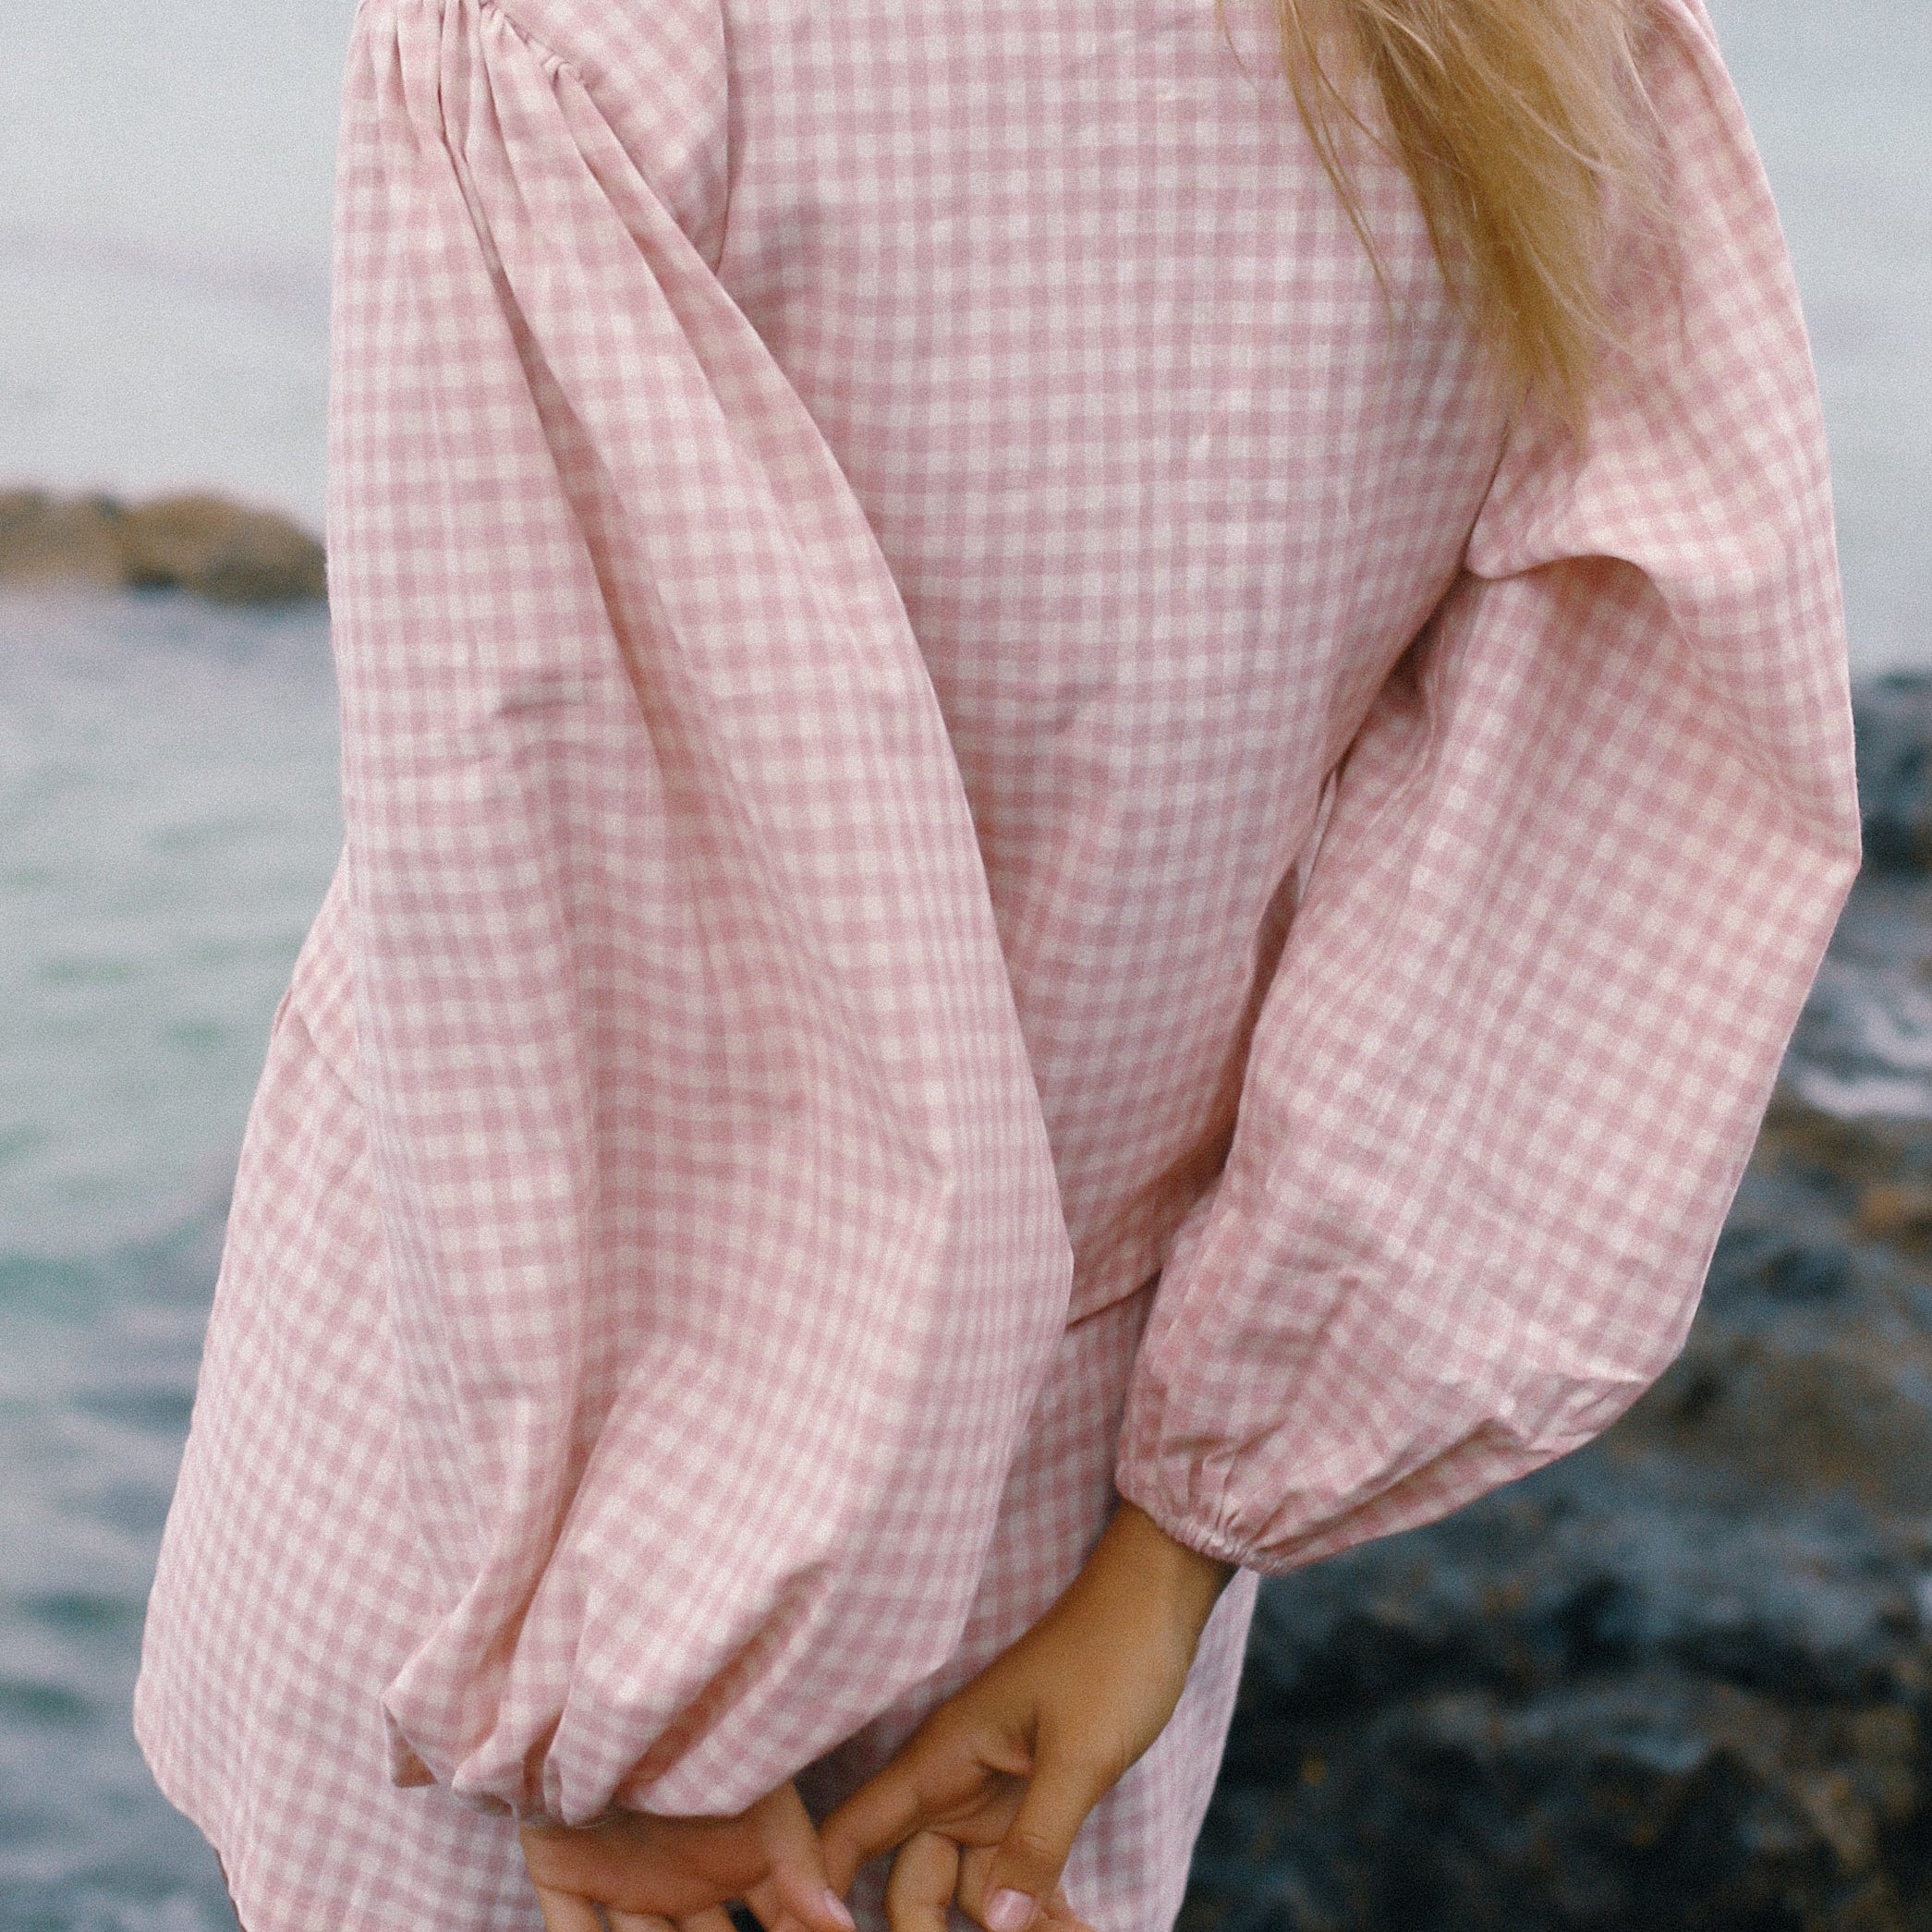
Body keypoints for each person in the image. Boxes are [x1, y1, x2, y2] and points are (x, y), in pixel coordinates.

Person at [135, 0, 1861, 1926]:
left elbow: (554, 846)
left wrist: (626, 1704)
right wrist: (1178, 1541)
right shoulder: (1563, 32)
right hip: (1051, 1562)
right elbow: (1600, 801)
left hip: (509, 1551)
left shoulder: (582, 32)